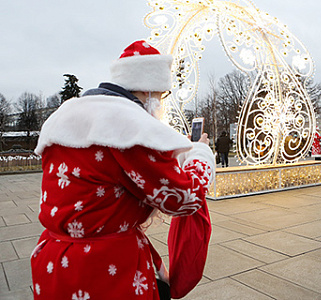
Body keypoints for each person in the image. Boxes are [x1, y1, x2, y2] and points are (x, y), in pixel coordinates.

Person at [30, 40, 215, 299]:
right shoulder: (127, 126)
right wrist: (199, 153)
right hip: (103, 269)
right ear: (150, 91)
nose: (161, 104)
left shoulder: (70, 112)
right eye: (161, 96)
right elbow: (184, 198)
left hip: (54, 261)